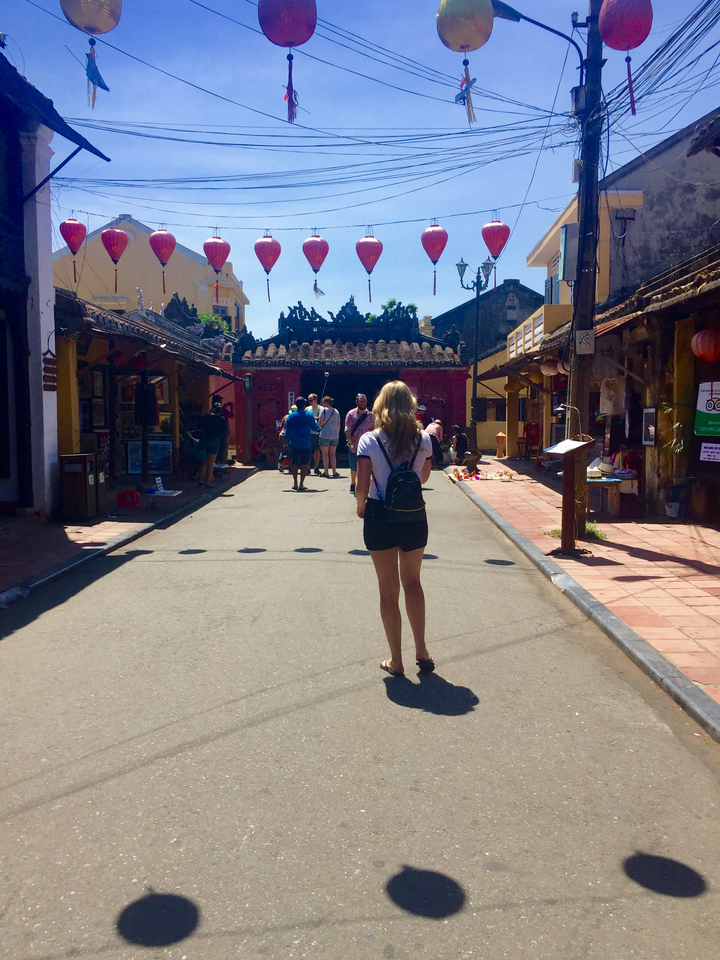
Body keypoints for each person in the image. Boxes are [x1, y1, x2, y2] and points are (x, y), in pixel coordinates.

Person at [355, 381, 434, 677]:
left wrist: (361, 505)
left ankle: (396, 660)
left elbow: (362, 485)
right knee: (413, 582)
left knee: (388, 591)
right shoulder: (424, 439)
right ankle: (422, 650)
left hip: (379, 513)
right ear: (410, 405)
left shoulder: (369, 440)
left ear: (380, 404)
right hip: (414, 514)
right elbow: (423, 478)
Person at [345, 393, 375, 495]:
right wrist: (350, 443)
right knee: (354, 466)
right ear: (357, 402)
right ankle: (353, 484)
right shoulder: (351, 414)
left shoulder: (371, 415)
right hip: (355, 444)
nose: (363, 403)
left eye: (364, 401)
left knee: (367, 466)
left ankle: (364, 485)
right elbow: (347, 430)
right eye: (361, 401)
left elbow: (374, 430)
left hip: (367, 446)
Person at [283, 396, 315, 490]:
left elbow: (287, 431)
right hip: (306, 443)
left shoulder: (291, 416)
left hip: (294, 443)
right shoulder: (309, 415)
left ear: (296, 405)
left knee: (294, 463)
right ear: (304, 405)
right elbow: (314, 427)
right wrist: (318, 423)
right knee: (304, 463)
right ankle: (301, 483)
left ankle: (295, 482)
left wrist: (285, 442)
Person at [198, 396, 229, 487]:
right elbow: (226, 431)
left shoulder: (205, 417)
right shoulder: (221, 419)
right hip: (214, 440)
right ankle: (208, 481)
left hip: (204, 439)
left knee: (204, 460)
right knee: (211, 462)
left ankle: (200, 479)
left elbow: (199, 426)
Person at [318, 395, 341, 478]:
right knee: (332, 454)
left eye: (323, 402)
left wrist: (318, 423)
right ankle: (334, 471)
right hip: (334, 435)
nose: (322, 403)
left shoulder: (323, 410)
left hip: (325, 434)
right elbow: (339, 424)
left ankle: (326, 472)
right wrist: (337, 433)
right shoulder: (336, 411)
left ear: (326, 402)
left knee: (325, 454)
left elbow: (321, 422)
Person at [307, 393, 323, 476]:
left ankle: (316, 467)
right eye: (309, 400)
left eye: (311, 400)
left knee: (317, 450)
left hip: (318, 432)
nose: (310, 402)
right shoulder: (307, 409)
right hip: (309, 432)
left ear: (316, 399)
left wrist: (319, 419)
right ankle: (307, 467)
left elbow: (324, 420)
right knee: (308, 450)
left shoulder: (321, 409)